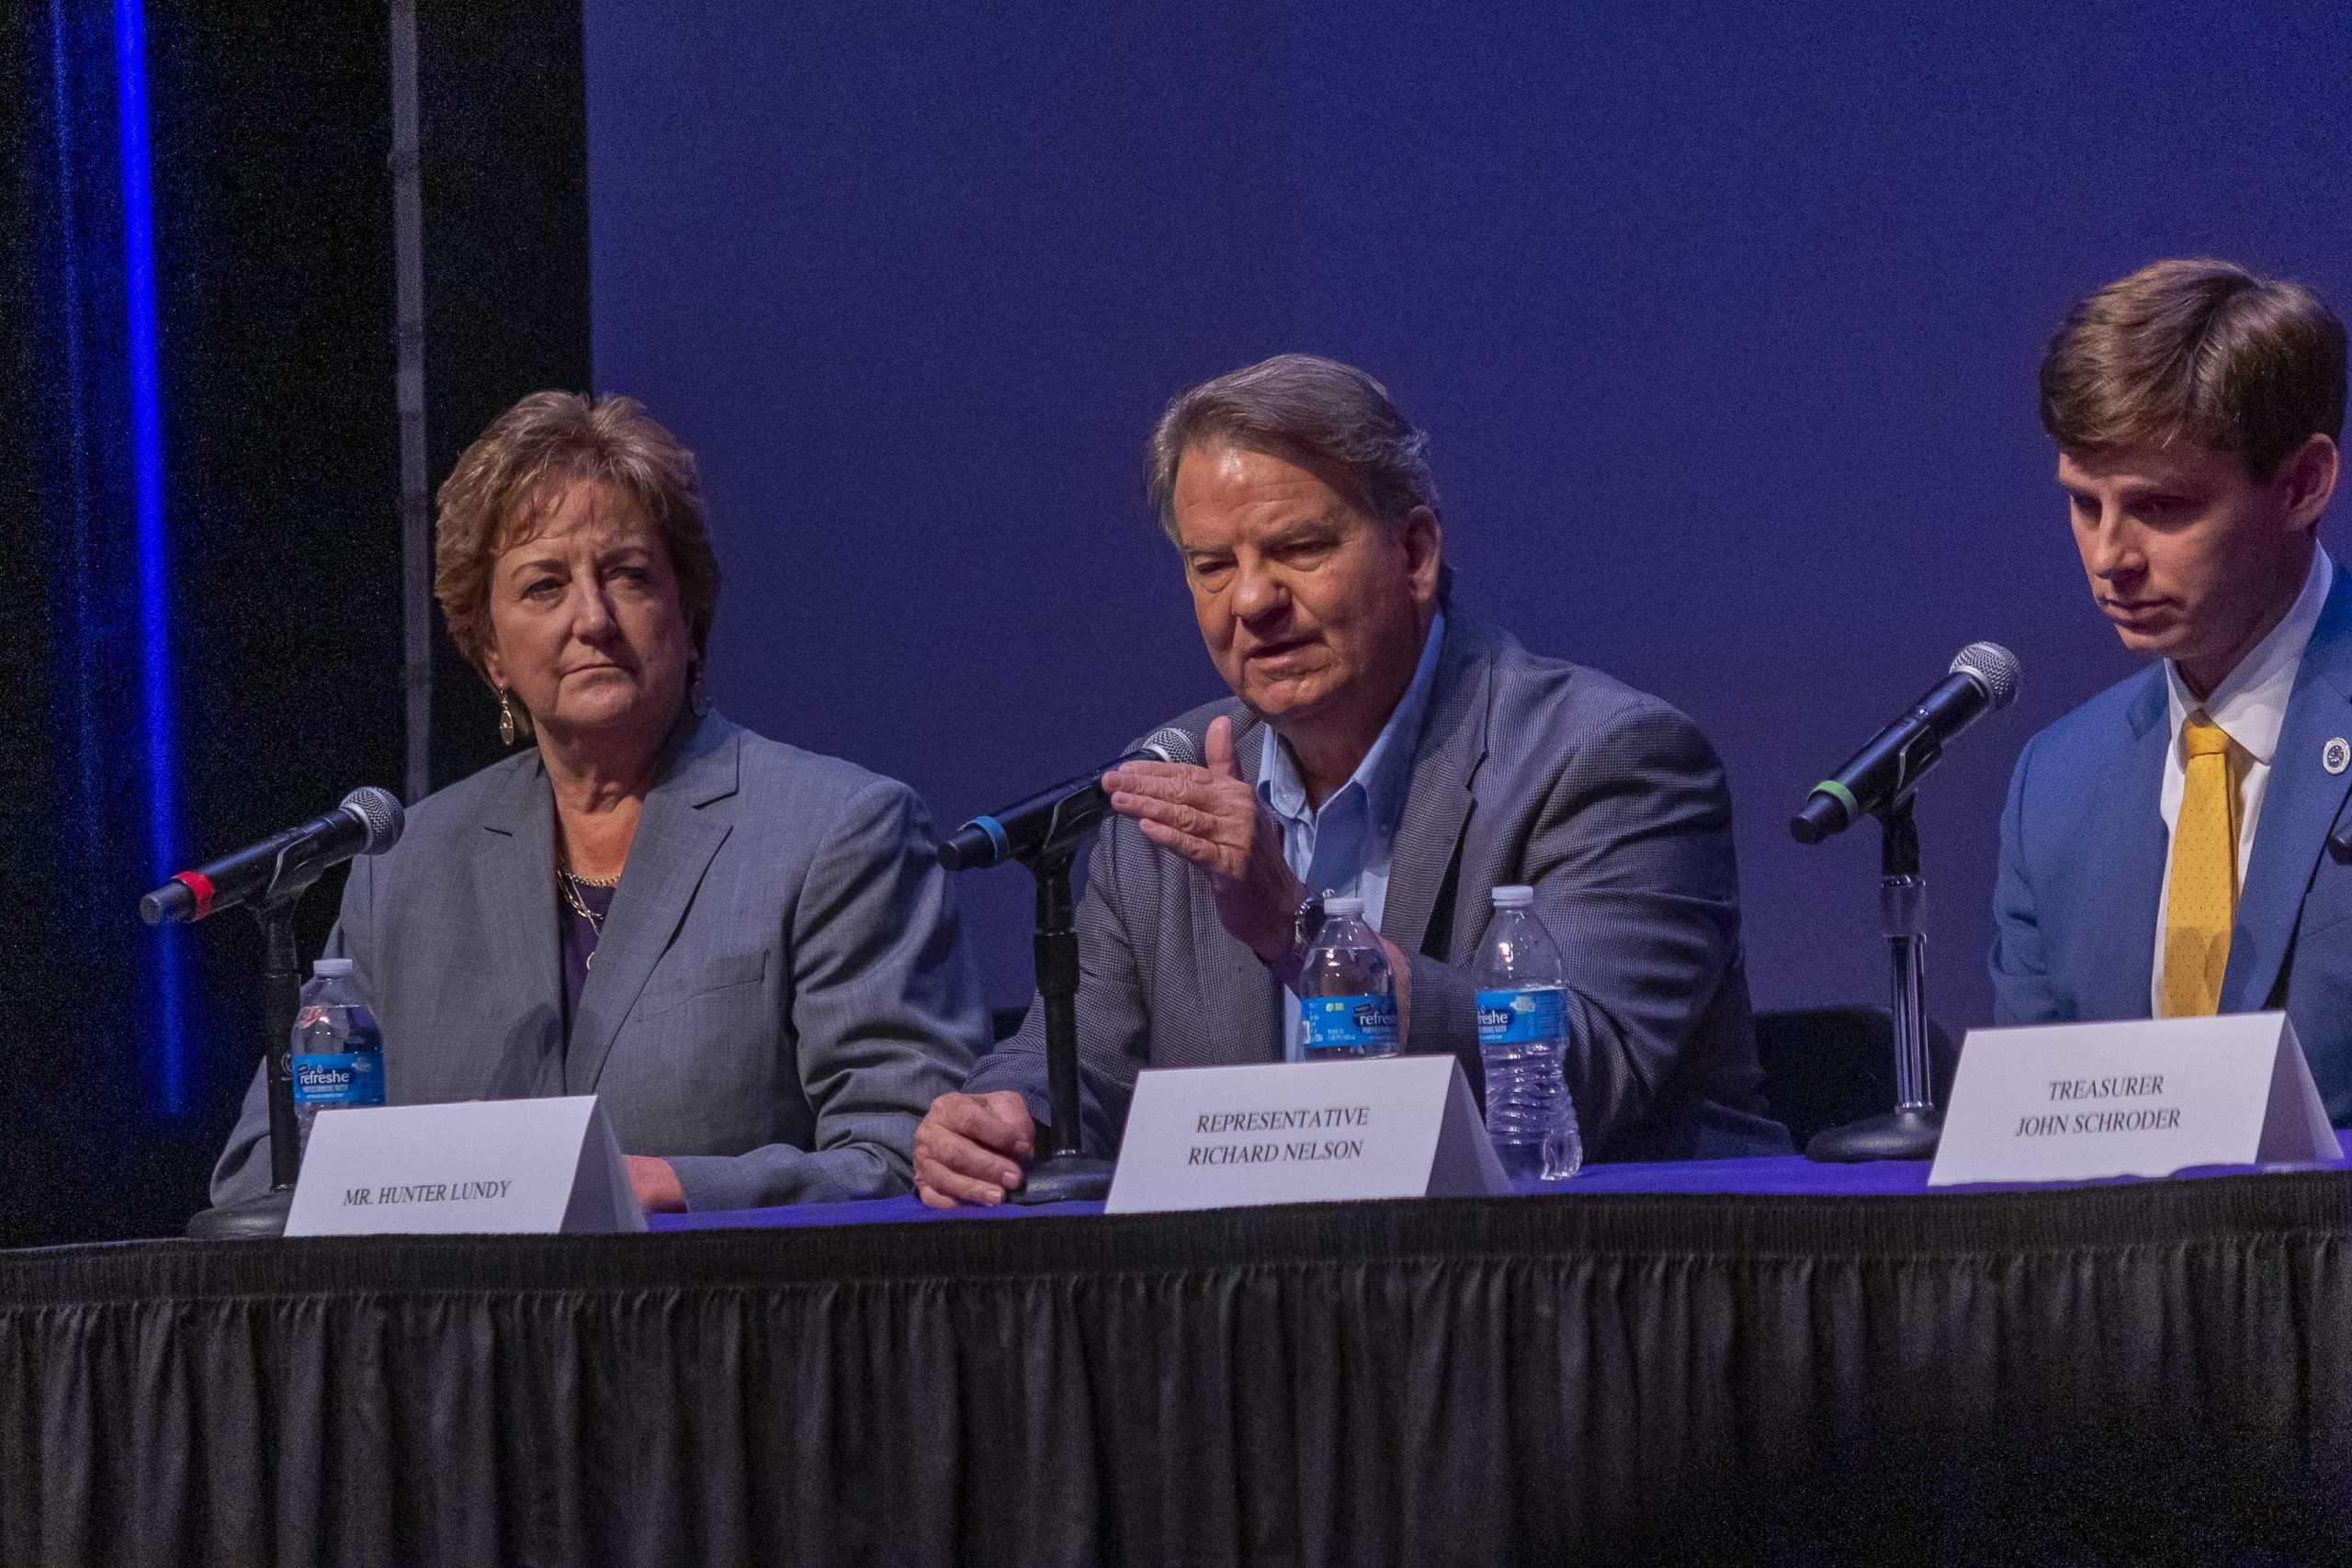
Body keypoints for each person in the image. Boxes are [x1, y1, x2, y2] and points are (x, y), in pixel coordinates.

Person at [915, 354, 1784, 1205]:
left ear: (1414, 553)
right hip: (1272, 1302)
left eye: (1297, 548)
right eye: (1212, 565)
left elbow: (1579, 1079)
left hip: (1580, 1297)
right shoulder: (1171, 780)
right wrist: (1003, 1118)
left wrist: (1300, 934)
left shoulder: (1607, 758)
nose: (1251, 600)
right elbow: (1079, 1067)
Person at [211, 392, 985, 1212]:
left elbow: (906, 1152)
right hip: (455, 1331)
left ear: (690, 618)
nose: (593, 618)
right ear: (491, 653)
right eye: (544, 586)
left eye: (627, 574)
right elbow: (265, 1172)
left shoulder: (838, 830)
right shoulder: (401, 871)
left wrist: (681, 1186)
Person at [1991, 258, 2352, 1114]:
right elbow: (2038, 1152)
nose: (2111, 556)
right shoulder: (2055, 786)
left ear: (2302, 484)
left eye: (2161, 507)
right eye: (2085, 505)